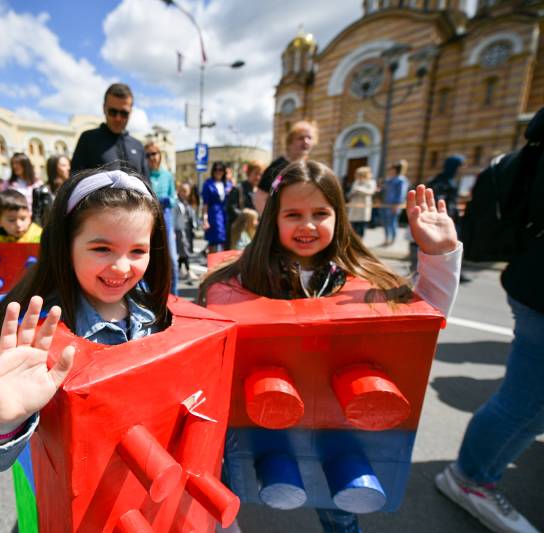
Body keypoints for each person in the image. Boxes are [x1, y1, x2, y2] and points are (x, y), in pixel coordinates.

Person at [198, 160, 462, 533]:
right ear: (273, 218)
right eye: (293, 214)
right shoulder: (243, 279)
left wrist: (439, 257)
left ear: (339, 217)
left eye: (320, 213)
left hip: (338, 430)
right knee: (238, 477)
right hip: (262, 417)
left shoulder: (361, 277)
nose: (307, 225)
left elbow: (421, 325)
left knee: (340, 497)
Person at [0, 166, 171, 473]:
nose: (122, 267)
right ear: (66, 246)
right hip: (68, 491)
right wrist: (4, 422)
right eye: (102, 248)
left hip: (138, 474)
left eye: (138, 250)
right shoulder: (37, 336)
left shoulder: (151, 315)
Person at [434, 111, 544, 533]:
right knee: (528, 402)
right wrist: (437, 256)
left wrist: (440, 256)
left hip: (533, 281)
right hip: (541, 291)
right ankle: (472, 477)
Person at [70, 83, 150, 183]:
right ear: (104, 108)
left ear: (130, 112)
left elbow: (147, 185)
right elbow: (75, 183)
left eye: (124, 113)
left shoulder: (138, 146)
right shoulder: (88, 140)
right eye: (113, 112)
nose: (118, 118)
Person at [254, 121, 317, 214]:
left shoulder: (308, 167)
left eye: (309, 138)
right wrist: (271, 223)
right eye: (301, 138)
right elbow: (261, 197)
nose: (306, 141)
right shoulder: (279, 167)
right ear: (290, 142)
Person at [145, 141, 179, 294]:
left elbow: (174, 199)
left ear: (160, 155)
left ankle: (174, 293)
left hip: (166, 219)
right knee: (149, 258)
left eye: (154, 153)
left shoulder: (168, 176)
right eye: (148, 155)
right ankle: (153, 293)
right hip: (148, 220)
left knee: (172, 259)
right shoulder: (144, 175)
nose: (152, 157)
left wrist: (167, 200)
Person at [225, 161, 263, 247]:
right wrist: (247, 215)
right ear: (249, 173)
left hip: (254, 235)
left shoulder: (260, 192)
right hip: (238, 235)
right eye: (256, 173)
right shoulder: (238, 189)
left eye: (260, 174)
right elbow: (231, 209)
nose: (258, 177)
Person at [9, 153, 49, 226]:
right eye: (13, 163)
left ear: (25, 164)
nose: (14, 166)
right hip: (18, 222)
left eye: (17, 163)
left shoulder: (38, 183)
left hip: (37, 221)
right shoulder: (8, 184)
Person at [202, 161, 233, 254]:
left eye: (220, 170)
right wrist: (205, 219)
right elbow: (205, 203)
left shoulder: (227, 184)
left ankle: (222, 266)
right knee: (214, 242)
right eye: (216, 169)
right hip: (213, 216)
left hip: (225, 216)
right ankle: (212, 266)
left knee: (225, 241)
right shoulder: (208, 184)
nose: (218, 172)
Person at [380, 160, 410, 246]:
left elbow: (401, 193)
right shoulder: (388, 180)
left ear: (396, 170)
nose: (389, 171)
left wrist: (397, 205)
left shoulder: (401, 180)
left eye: (391, 169)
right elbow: (383, 191)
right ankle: (386, 239)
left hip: (394, 205)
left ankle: (392, 239)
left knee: (392, 222)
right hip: (385, 205)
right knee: (385, 223)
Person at [175, 182, 198, 281]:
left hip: (187, 231)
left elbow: (192, 217)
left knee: (183, 252)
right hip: (179, 231)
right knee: (184, 251)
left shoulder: (188, 203)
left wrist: (196, 225)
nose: (184, 193)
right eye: (182, 191)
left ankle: (180, 270)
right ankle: (188, 271)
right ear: (179, 191)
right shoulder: (176, 203)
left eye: (186, 191)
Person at [346, 166, 377, 237]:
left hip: (363, 208)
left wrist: (359, 189)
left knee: (361, 227)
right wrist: (352, 193)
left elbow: (371, 192)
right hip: (354, 207)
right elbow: (350, 193)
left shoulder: (371, 182)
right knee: (353, 227)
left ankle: (360, 241)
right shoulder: (356, 182)